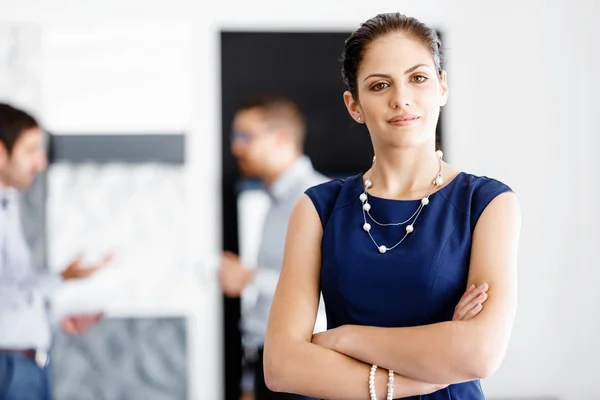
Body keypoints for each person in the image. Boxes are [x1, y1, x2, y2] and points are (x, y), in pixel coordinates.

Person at [263, 12, 520, 400]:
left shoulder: (488, 203)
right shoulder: (319, 208)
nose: (401, 98)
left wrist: (344, 338)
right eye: (380, 85)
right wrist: (432, 366)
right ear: (355, 105)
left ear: (442, 87)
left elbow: (480, 353)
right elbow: (282, 366)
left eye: (418, 78)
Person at [218, 94, 328, 400]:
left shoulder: (317, 198)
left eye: (245, 136)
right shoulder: (274, 199)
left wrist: (248, 278)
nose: (236, 147)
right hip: (268, 367)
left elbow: (325, 290)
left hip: (300, 372)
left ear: (281, 139)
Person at [0, 103, 109, 400]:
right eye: (31, 150)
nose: (41, 162)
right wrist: (62, 277)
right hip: (9, 370)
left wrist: (52, 318)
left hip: (26, 364)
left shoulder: (9, 206)